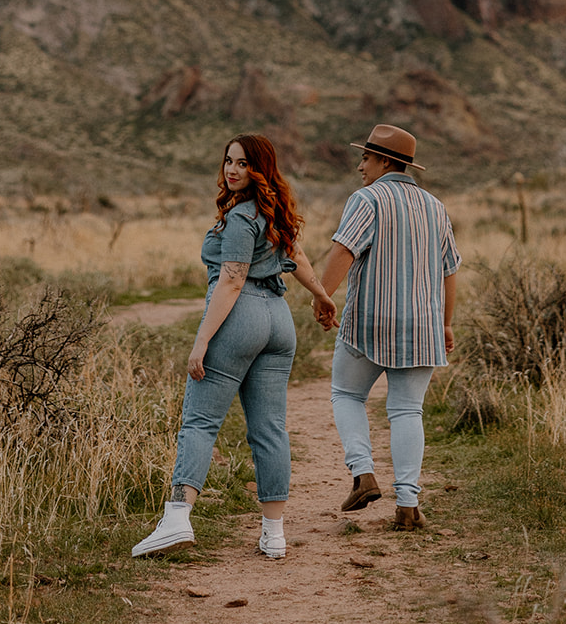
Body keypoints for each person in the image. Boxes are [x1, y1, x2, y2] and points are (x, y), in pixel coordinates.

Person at [132, 133, 337, 560]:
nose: (232, 169)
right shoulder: (273, 212)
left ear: (260, 169)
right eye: (228, 160)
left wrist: (202, 340)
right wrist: (320, 294)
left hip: (240, 317)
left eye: (243, 163)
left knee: (201, 420)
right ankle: (274, 534)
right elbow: (296, 256)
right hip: (278, 321)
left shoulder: (243, 217)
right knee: (269, 428)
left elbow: (231, 279)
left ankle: (176, 519)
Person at [318, 123, 460, 531]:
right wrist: (446, 323)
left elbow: (343, 249)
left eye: (365, 157)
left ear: (384, 161)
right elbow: (450, 270)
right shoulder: (435, 206)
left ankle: (363, 474)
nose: (360, 165)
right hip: (423, 325)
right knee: (406, 409)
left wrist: (323, 297)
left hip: (370, 321)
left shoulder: (368, 199)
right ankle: (408, 506)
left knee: (346, 393)